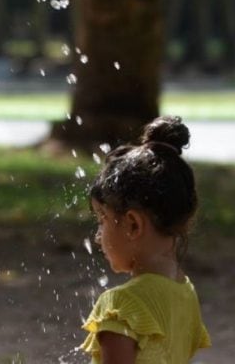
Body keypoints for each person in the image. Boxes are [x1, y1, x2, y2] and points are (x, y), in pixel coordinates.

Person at [80, 116, 211, 364]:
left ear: (133, 224)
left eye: (102, 219)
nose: (98, 237)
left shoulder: (121, 305)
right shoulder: (185, 294)